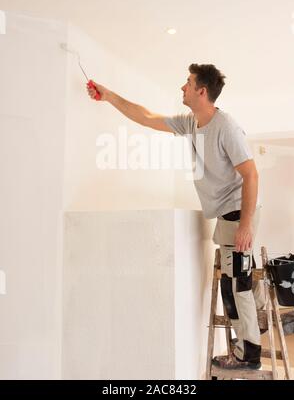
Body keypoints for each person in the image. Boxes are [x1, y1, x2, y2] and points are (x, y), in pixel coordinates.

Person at [86, 63, 264, 370]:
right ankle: (246, 341)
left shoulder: (227, 127)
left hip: (239, 213)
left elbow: (251, 175)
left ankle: (249, 354)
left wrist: (245, 225)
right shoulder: (192, 123)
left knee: (239, 284)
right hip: (226, 216)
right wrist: (109, 96)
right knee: (229, 285)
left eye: (188, 83)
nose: (182, 87)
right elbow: (147, 117)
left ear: (202, 91)